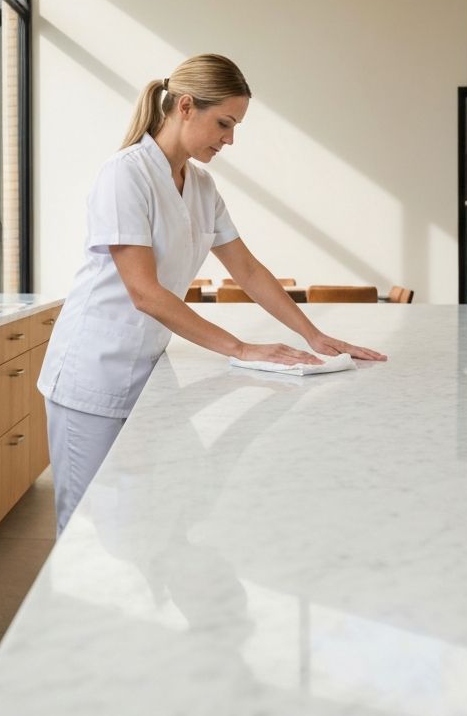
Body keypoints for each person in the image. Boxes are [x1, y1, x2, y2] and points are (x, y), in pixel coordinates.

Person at [37, 53, 386, 534]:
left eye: (235, 126)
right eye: (224, 123)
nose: (230, 139)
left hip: (146, 369)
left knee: (147, 516)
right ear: (185, 107)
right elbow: (145, 293)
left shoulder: (200, 185)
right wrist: (241, 348)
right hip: (91, 372)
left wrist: (313, 335)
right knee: (86, 527)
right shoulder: (125, 175)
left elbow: (247, 269)